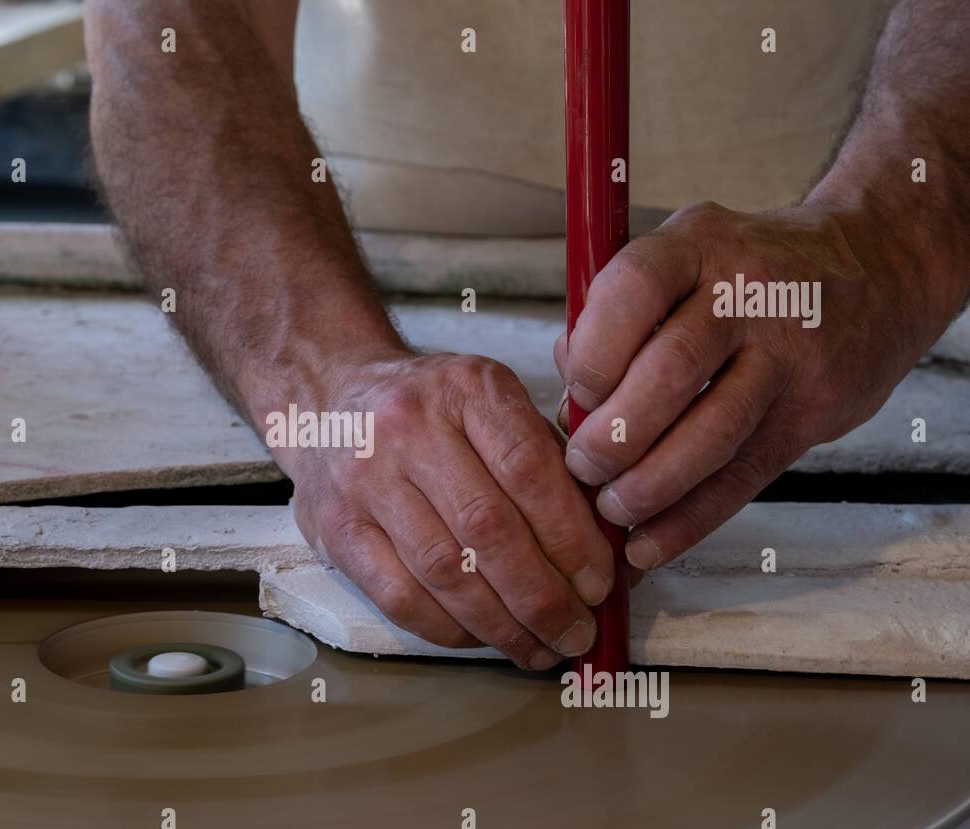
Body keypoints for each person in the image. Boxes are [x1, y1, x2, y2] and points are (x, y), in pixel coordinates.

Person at [84, 0, 970, 669]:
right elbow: (165, 27)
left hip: (834, 235)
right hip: (357, 241)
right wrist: (322, 377)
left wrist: (895, 240)